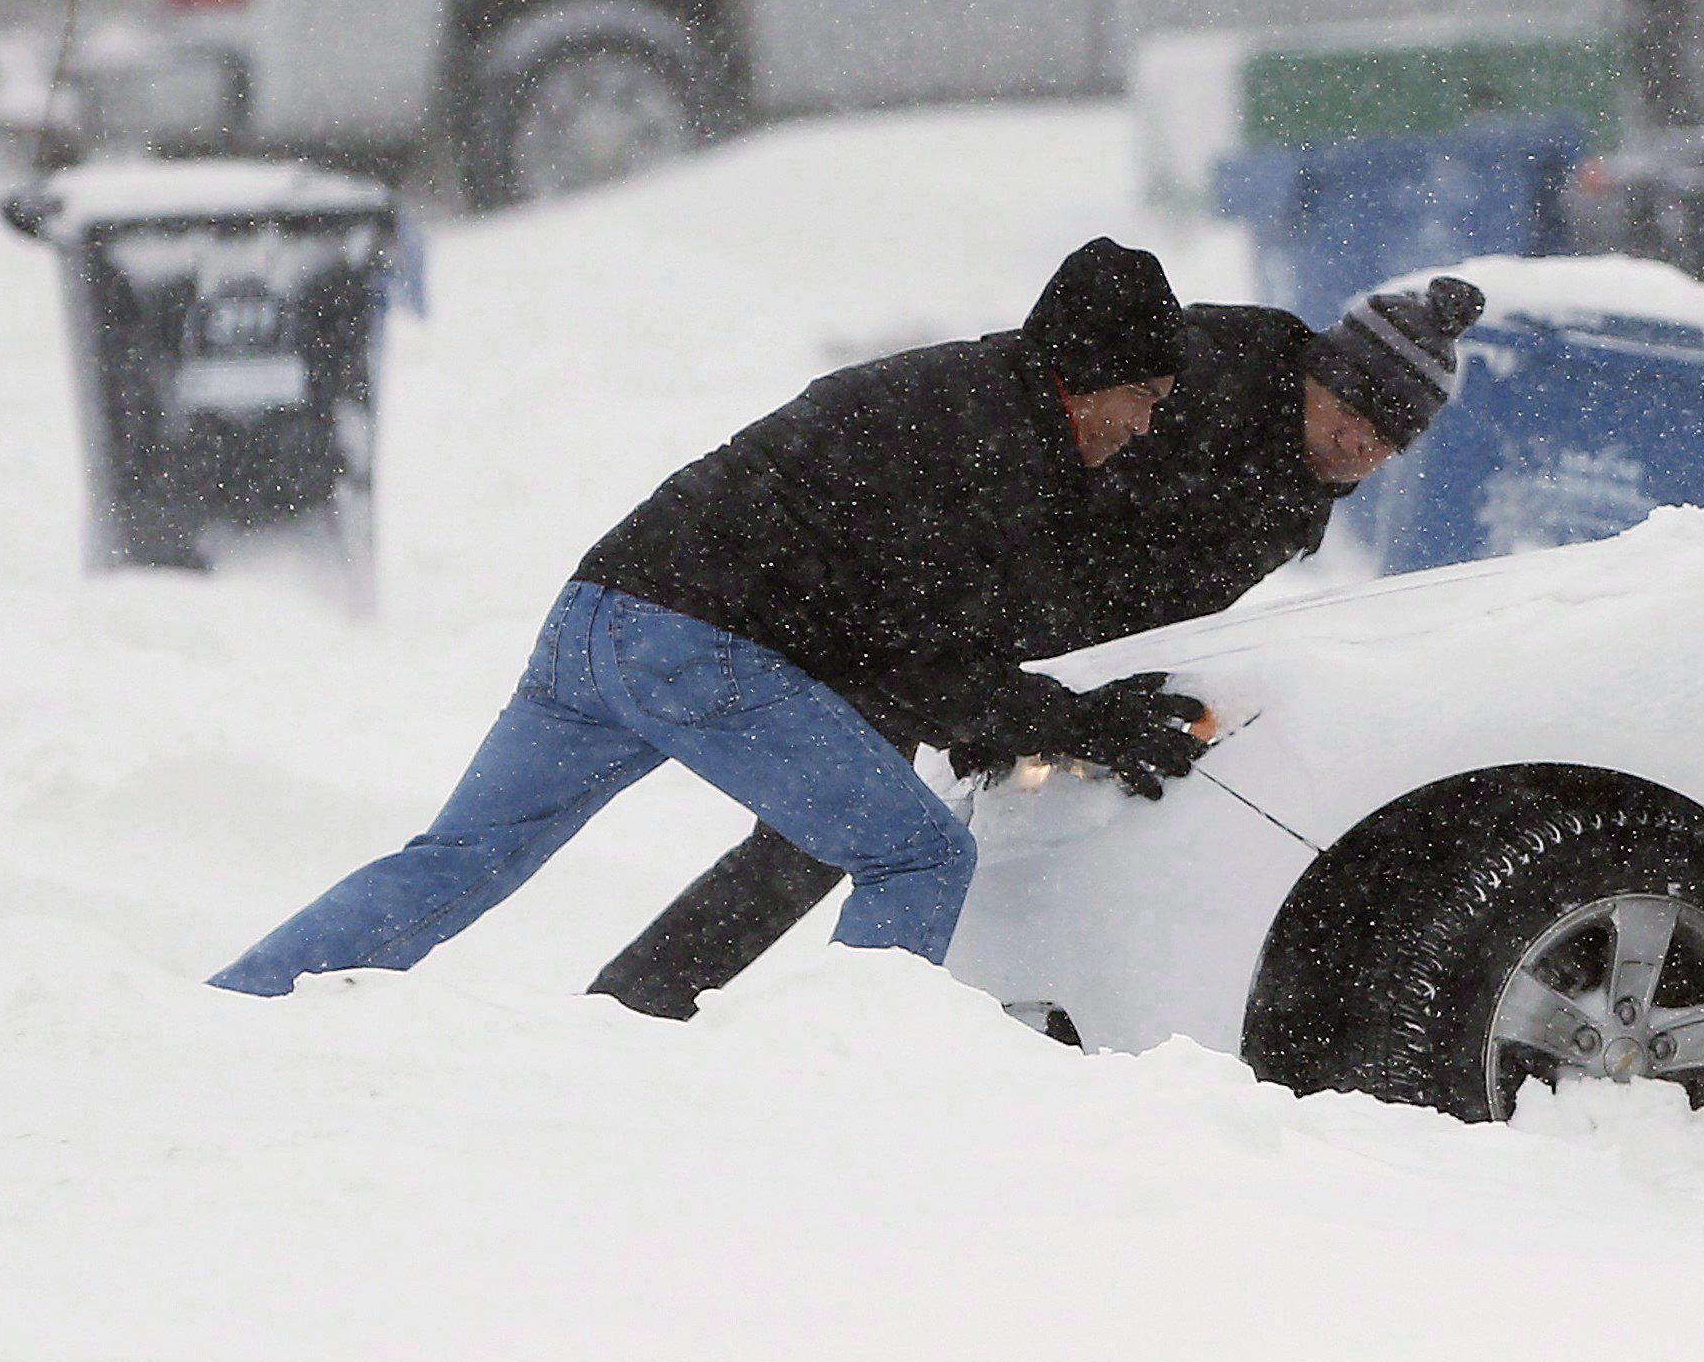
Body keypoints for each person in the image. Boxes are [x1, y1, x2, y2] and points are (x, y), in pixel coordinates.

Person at [209, 238, 1214, 1000]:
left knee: (460, 860)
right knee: (917, 856)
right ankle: (847, 1087)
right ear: (1087, 371)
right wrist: (1073, 724)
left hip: (601, 614)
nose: (1147, 424)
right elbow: (922, 657)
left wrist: (1039, 712)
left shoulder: (964, 398)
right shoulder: (991, 441)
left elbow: (922, 635)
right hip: (701, 644)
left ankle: (233, 1015)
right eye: (1145, 396)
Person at [583, 274, 1491, 1020]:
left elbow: (1160, 602)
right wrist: (1010, 693)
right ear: (1314, 375)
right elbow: (1042, 494)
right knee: (841, 833)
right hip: (928, 597)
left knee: (864, 835)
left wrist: (1070, 699)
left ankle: (683, 1014)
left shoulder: (1296, 487)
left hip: (1007, 644)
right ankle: (659, 1017)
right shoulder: (1194, 379)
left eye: (1387, 443)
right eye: (1353, 418)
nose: (1362, 449)